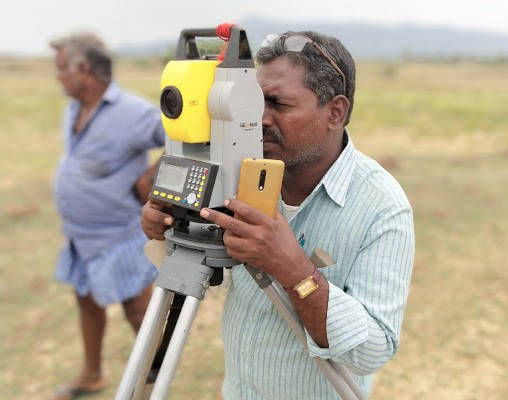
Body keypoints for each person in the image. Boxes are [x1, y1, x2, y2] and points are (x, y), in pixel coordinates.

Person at [142, 31, 415, 399]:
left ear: (335, 112)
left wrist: (294, 270)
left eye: (278, 104)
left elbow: (373, 349)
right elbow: (205, 271)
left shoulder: (381, 206)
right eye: (254, 100)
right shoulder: (237, 173)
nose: (259, 118)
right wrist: (171, 225)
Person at [50, 32, 164, 400]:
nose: (57, 76)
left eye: (61, 68)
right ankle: (92, 375)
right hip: (80, 234)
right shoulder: (74, 109)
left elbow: (185, 138)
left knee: (137, 309)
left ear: (83, 69)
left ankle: (155, 381)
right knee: (86, 299)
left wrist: (150, 179)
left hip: (119, 233)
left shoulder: (134, 112)